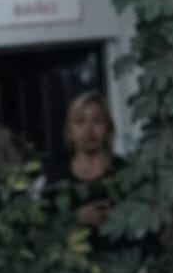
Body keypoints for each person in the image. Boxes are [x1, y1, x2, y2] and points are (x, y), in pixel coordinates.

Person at [43, 93, 122, 230]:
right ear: (69, 131)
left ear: (109, 128)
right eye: (80, 122)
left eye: (97, 121)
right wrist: (76, 218)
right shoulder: (55, 177)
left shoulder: (125, 172)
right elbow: (45, 227)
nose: (88, 130)